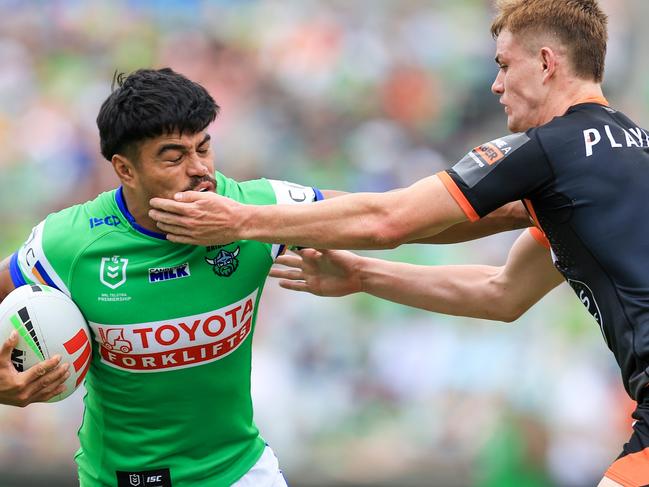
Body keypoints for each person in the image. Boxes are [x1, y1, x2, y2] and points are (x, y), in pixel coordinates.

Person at [148, 1, 649, 485]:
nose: (496, 84)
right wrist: (363, 276)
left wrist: (240, 220)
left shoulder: (547, 150)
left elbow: (391, 220)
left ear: (545, 63)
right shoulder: (624, 151)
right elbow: (503, 292)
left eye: (503, 65)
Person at [0, 67, 344, 487]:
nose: (200, 169)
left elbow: (378, 219)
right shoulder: (69, 244)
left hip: (239, 471)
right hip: (120, 479)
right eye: (175, 157)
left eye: (204, 148)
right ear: (126, 170)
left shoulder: (253, 212)